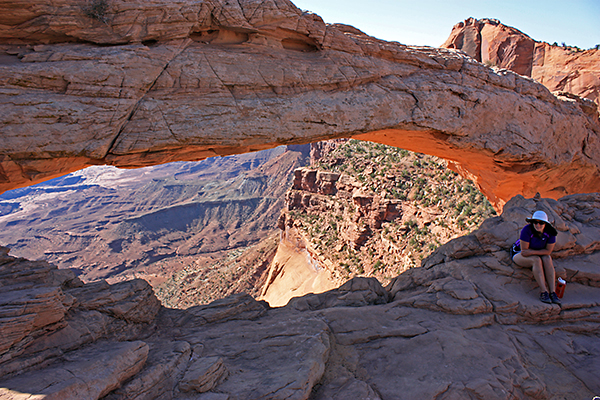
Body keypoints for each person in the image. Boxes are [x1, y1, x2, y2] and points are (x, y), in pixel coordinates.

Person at [512, 210, 561, 304]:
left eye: (541, 223)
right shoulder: (527, 230)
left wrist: (533, 251)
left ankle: (552, 292)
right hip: (518, 253)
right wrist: (536, 252)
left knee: (547, 258)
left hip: (534, 252)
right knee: (536, 260)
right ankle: (544, 292)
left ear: (545, 224)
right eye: (535, 222)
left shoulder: (550, 233)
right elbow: (524, 252)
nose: (538, 225)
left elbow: (548, 251)